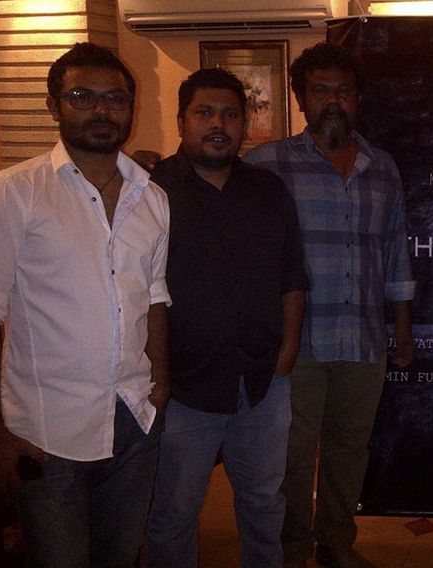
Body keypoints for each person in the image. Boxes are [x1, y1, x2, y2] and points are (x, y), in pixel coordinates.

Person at [0, 42, 170, 567]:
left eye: (115, 98)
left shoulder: (152, 197)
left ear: (131, 107)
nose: (101, 110)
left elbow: (155, 295)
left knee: (119, 556)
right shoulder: (11, 193)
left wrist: (160, 386)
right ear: (53, 105)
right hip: (48, 430)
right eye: (83, 96)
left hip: (133, 417)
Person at [244, 42, 415, 568]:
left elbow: (396, 251)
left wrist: (402, 328)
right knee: (292, 455)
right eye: (321, 91)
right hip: (295, 344)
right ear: (301, 98)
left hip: (364, 338)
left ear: (358, 99)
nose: (333, 101)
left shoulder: (382, 168)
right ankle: (293, 548)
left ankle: (337, 542)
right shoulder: (265, 164)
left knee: (349, 449)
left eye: (343, 91)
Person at [143, 68, 308, 567]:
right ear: (181, 121)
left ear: (244, 123)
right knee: (174, 512)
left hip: (261, 383)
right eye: (205, 113)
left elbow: (292, 275)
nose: (218, 124)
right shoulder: (150, 193)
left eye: (230, 115)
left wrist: (287, 351)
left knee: (264, 504)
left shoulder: (268, 191)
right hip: (183, 389)